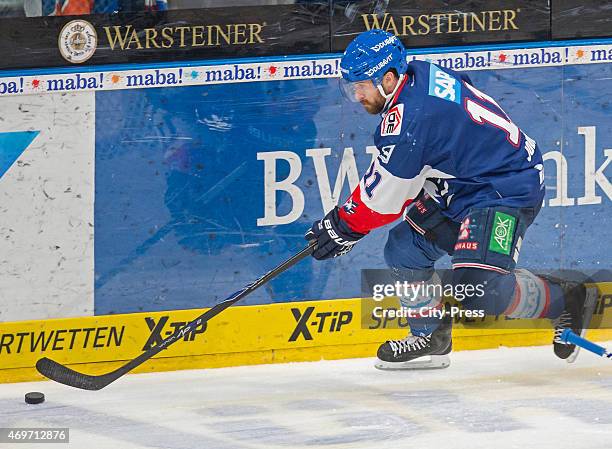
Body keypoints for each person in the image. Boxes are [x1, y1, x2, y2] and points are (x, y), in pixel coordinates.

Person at [305, 29, 598, 370]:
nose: (356, 95)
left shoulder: (408, 123)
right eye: (351, 87)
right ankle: (431, 334)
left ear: (387, 78)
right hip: (465, 184)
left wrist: (343, 225)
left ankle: (567, 298)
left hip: (504, 188)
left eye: (361, 86)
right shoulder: (418, 72)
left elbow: (383, 200)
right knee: (404, 249)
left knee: (481, 289)